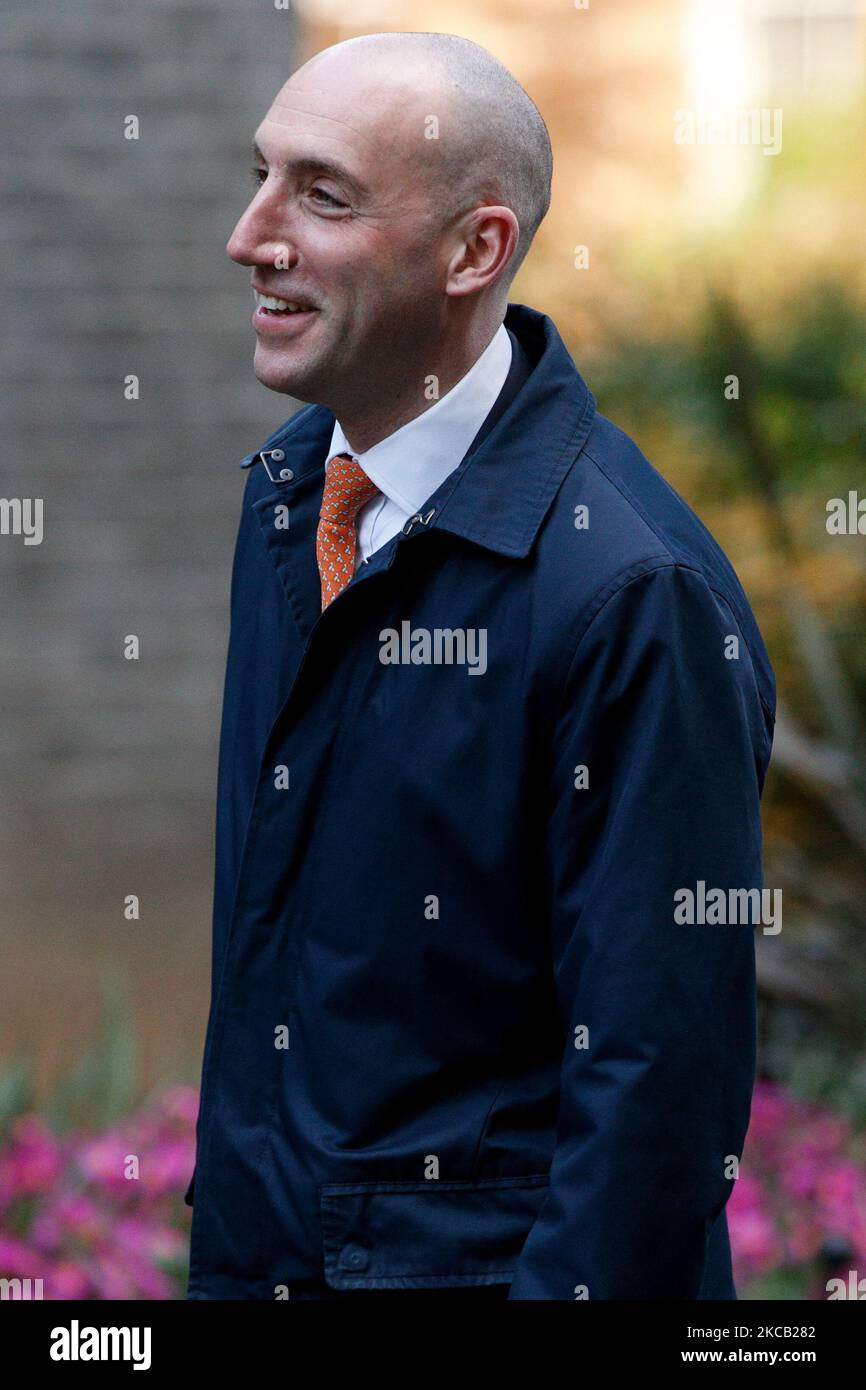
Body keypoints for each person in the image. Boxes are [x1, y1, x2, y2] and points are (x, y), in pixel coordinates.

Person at [184, 31, 776, 1301]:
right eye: (261, 175)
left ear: (474, 251)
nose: (251, 235)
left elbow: (653, 1105)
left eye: (320, 193)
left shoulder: (632, 595)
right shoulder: (291, 494)